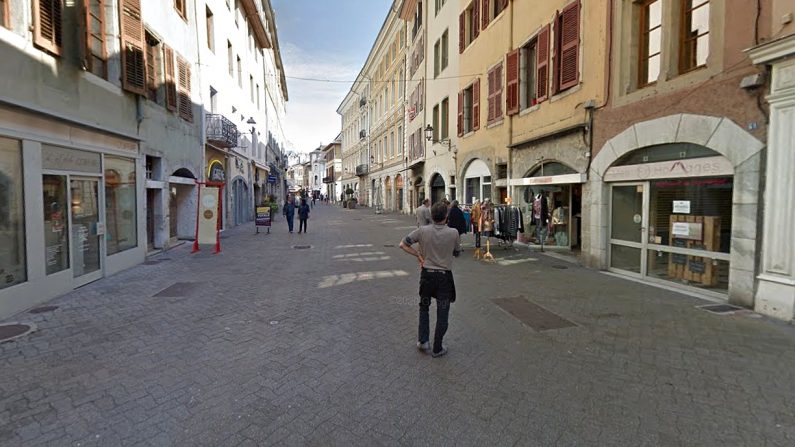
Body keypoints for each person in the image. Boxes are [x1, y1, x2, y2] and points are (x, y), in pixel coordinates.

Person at [399, 202, 460, 358]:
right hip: (444, 278)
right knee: (443, 312)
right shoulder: (454, 233)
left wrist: (419, 256)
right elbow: (457, 252)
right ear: (446, 216)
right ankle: (437, 347)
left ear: (431, 216)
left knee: (424, 307)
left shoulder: (422, 231)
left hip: (427, 276)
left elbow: (403, 244)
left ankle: (423, 341)